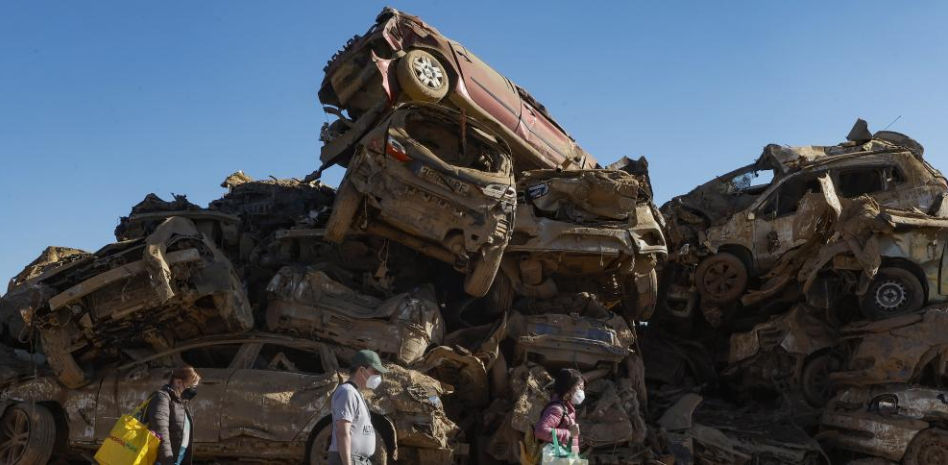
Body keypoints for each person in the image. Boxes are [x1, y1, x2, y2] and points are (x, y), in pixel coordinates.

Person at [329, 349, 389, 465]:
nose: (378, 376)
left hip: (360, 460)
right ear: (362, 370)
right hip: (348, 459)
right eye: (375, 372)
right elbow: (343, 432)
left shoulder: (356, 393)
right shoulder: (347, 392)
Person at [144, 366, 201, 465]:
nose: (192, 390)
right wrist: (168, 461)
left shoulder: (180, 403)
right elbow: (161, 433)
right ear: (178, 382)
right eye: (190, 386)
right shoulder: (162, 399)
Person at [534, 368, 585, 454]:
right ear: (568, 388)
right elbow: (540, 431)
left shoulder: (568, 409)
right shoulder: (557, 409)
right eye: (579, 387)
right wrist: (569, 434)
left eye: (583, 388)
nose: (582, 392)